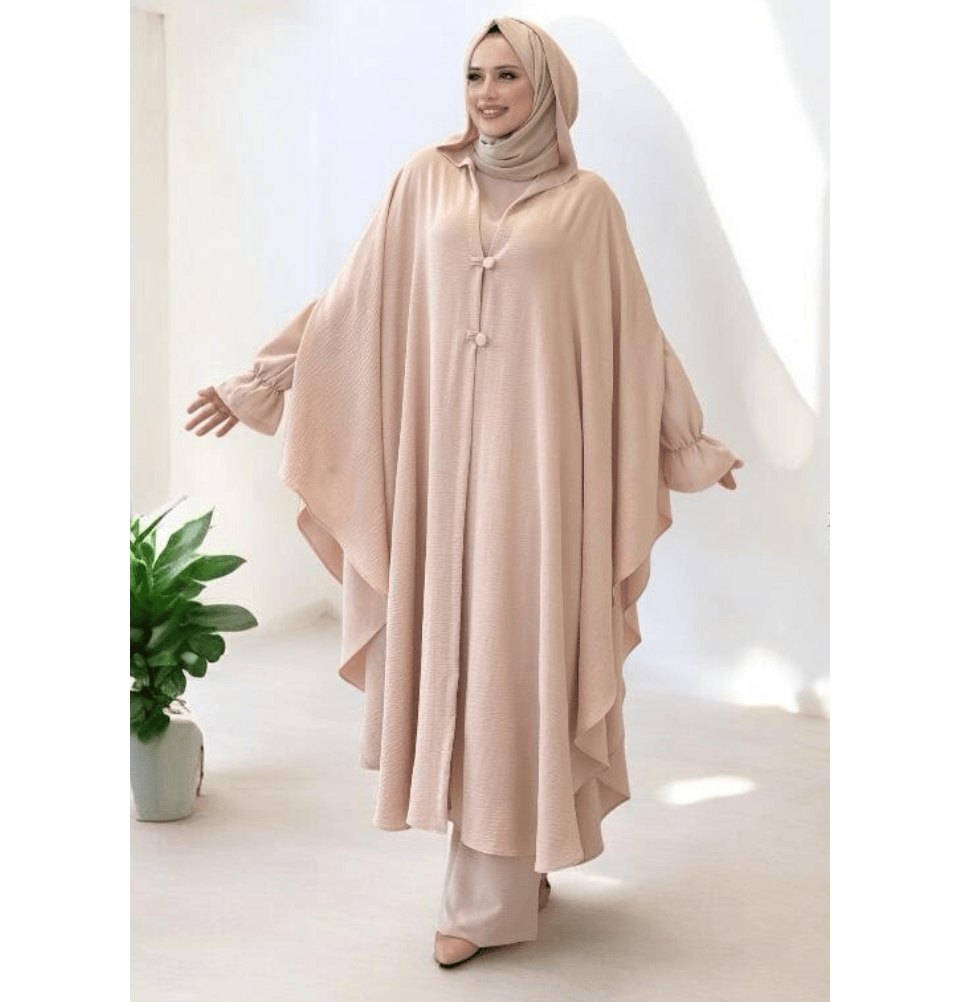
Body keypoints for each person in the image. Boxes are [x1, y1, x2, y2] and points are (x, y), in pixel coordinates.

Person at [185, 16, 745, 969]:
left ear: (547, 90)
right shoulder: (424, 180)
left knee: (520, 655)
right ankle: (506, 871)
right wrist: (262, 382)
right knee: (461, 653)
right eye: (476, 75)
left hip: (541, 481)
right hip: (440, 474)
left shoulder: (588, 205)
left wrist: (685, 443)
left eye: (508, 76)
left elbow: (634, 337)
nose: (487, 93)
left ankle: (489, 896)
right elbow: (351, 302)